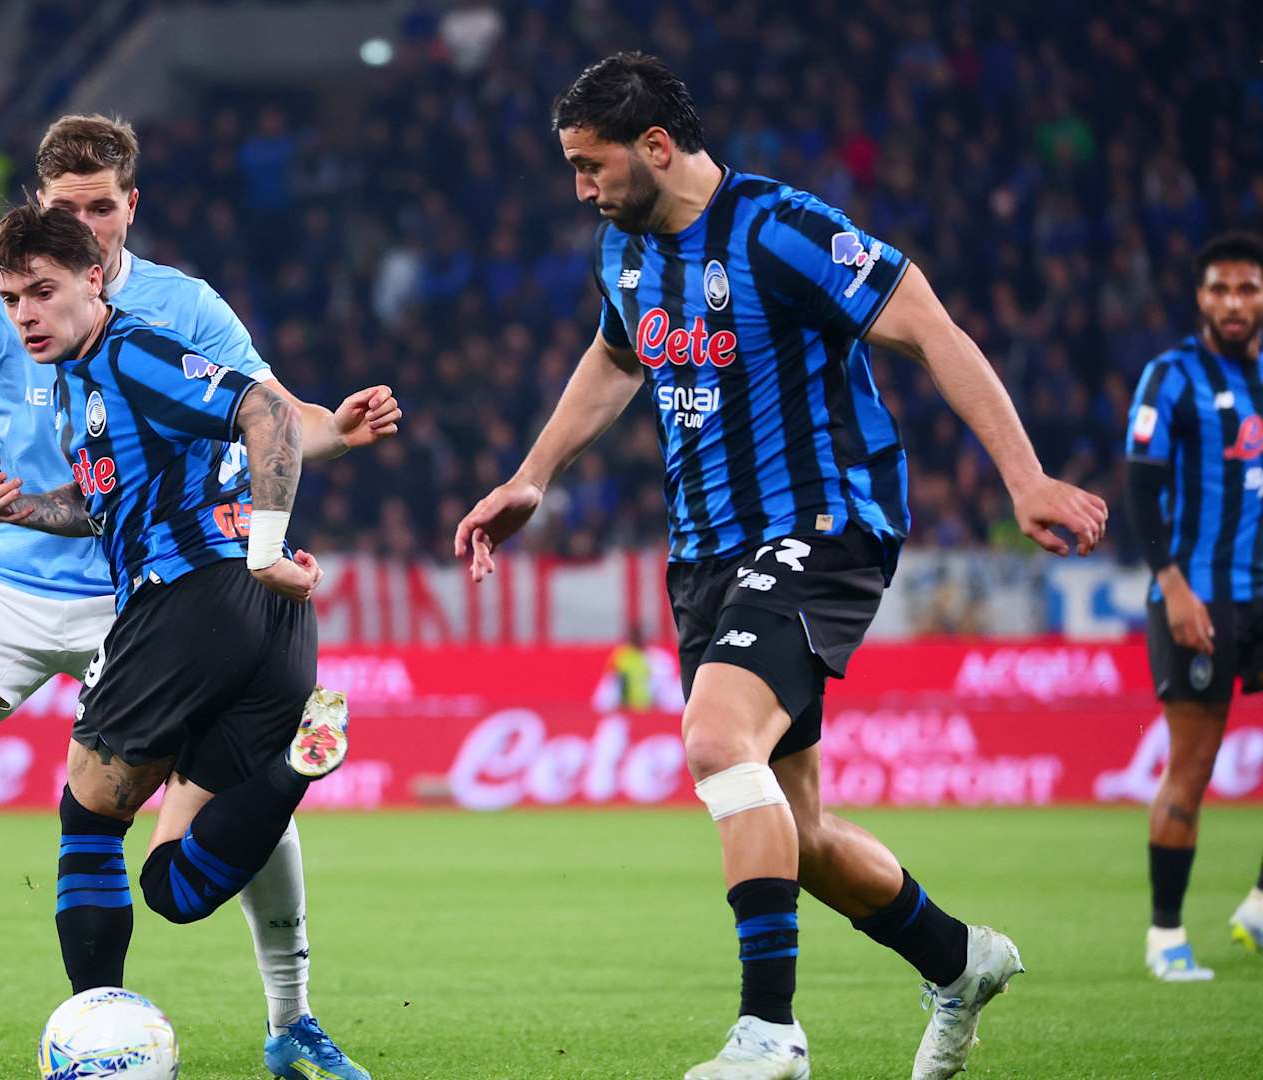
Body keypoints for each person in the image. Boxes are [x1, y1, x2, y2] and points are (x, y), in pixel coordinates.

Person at [452, 52, 1108, 1080]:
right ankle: (958, 960)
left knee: (716, 740)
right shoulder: (622, 251)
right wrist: (533, 475)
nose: (580, 189)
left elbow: (928, 326)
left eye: (590, 165)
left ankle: (770, 1033)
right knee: (792, 832)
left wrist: (1023, 478)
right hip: (704, 554)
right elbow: (618, 356)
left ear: (656, 147)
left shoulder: (781, 229)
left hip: (821, 525)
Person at [0, 118, 392, 1080]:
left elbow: (277, 414)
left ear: (129, 207)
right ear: (39, 209)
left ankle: (292, 1019)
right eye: (66, 211)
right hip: (5, 575)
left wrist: (337, 430)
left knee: (208, 801)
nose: (86, 229)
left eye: (102, 209)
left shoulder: (173, 309)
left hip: (145, 592)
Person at [0, 200, 350, 1046]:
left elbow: (268, 411)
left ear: (94, 280)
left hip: (192, 600)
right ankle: (296, 766)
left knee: (89, 816)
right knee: (173, 884)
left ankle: (95, 1038)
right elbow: (112, 498)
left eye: (42, 291)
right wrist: (28, 509)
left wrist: (265, 547)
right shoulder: (76, 384)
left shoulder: (131, 350)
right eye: (10, 299)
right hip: (278, 628)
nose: (26, 314)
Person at [1123, 230, 1263, 981]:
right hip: (1198, 598)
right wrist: (1173, 585)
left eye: (1247, 289)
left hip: (1260, 591)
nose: (1234, 303)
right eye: (1221, 289)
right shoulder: (1172, 376)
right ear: (1200, 298)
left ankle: (1259, 907)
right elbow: (1140, 489)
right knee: (1194, 765)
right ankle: (1165, 934)